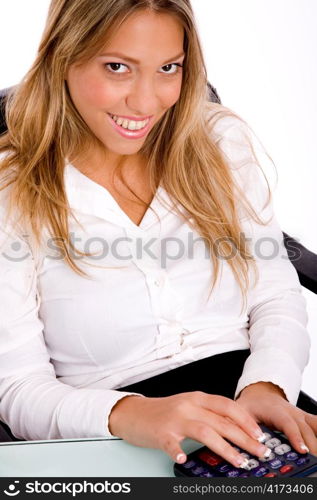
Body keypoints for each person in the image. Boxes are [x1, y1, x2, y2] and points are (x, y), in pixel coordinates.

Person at [0, 0, 316, 470]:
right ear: (62, 58)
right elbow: (17, 387)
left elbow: (272, 288)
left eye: (169, 67)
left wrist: (268, 385)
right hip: (108, 435)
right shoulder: (12, 189)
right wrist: (133, 414)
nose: (147, 102)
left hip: (253, 405)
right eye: (117, 68)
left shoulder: (220, 143)